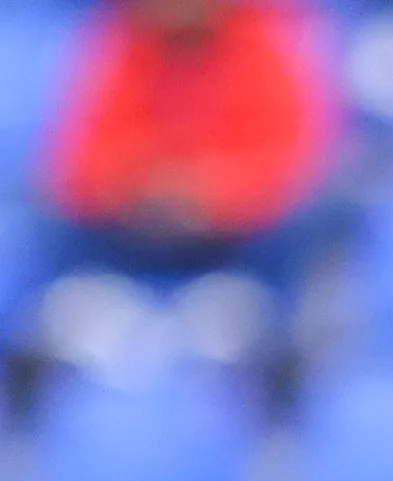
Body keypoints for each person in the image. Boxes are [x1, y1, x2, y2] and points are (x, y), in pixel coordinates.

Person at [30, 0, 342, 370]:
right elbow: (78, 159)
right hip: (134, 228)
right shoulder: (120, 40)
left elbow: (294, 160)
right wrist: (141, 182)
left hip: (233, 237)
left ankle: (265, 333)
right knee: (39, 218)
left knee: (317, 217)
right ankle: (73, 326)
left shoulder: (266, 39)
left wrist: (211, 189)